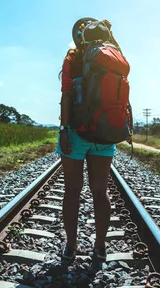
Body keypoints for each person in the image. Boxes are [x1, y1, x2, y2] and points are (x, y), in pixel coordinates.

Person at [56, 18, 122, 264]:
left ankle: (71, 247)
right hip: (105, 132)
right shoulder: (114, 56)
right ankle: (100, 247)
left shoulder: (73, 58)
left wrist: (64, 130)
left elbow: (66, 96)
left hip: (76, 132)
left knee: (72, 190)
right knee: (100, 191)